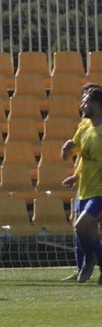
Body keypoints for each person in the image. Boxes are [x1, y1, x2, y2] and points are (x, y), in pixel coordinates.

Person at [60, 82, 101, 282]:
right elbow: (72, 155)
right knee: (83, 230)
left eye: (85, 102)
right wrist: (66, 150)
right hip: (85, 189)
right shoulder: (85, 127)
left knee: (81, 226)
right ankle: (90, 262)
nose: (81, 106)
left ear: (96, 104)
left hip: (99, 191)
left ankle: (90, 261)